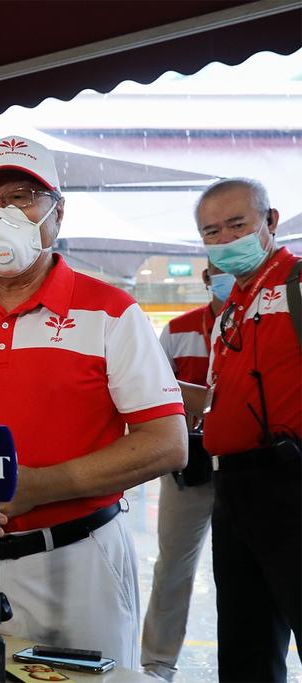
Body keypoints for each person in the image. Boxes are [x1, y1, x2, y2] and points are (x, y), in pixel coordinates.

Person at [0, 135, 187, 668]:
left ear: (57, 213)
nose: (1, 216)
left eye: (22, 196)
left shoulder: (112, 314)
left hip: (76, 560)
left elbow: (167, 444)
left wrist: (40, 486)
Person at [179, 178, 300, 682]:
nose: (225, 239)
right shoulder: (232, 304)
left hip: (291, 485)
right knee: (245, 643)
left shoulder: (296, 283)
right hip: (231, 488)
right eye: (212, 231)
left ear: (269, 222)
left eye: (237, 225)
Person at [141, 263, 231, 681]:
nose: (227, 275)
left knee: (248, 570)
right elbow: (151, 389)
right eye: (217, 270)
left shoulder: (269, 323)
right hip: (190, 467)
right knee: (174, 565)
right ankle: (157, 663)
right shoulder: (178, 330)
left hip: (251, 468)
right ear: (207, 279)